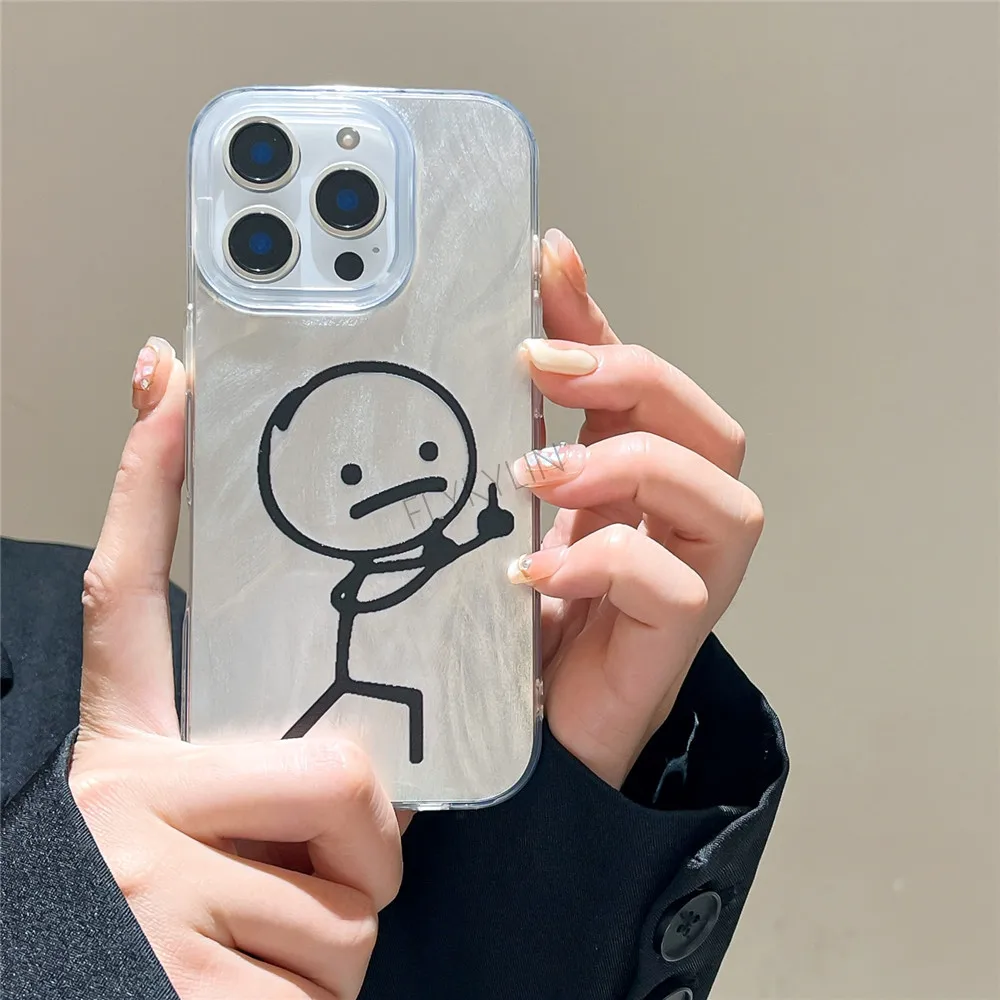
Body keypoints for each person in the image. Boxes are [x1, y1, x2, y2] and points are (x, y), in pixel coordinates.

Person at [1, 230, 788, 1000]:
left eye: (426, 454)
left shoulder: (156, 707)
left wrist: (542, 821)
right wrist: (67, 943)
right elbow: (384, 584)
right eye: (348, 472)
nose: (402, 482)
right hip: (353, 673)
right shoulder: (143, 719)